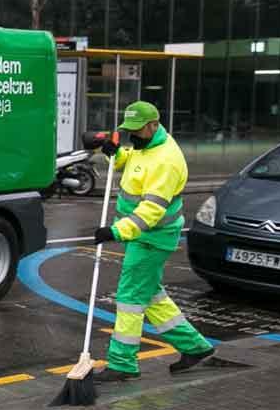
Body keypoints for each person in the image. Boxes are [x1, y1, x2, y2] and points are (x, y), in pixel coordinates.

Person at [92, 101, 215, 382]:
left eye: (137, 130)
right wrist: (116, 156)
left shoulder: (167, 161)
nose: (132, 136)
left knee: (130, 299)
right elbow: (135, 166)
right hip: (141, 235)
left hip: (151, 237)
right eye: (129, 130)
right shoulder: (144, 146)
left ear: (154, 125)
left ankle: (122, 364)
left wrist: (115, 232)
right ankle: (195, 347)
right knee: (151, 296)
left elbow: (151, 210)